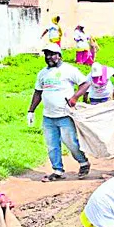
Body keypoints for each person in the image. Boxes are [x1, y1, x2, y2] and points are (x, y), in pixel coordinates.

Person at [28, 43, 91, 182]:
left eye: (52, 54)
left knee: (71, 143)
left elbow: (85, 83)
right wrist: (31, 111)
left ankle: (83, 163)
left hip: (64, 115)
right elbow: (38, 92)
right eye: (46, 54)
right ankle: (57, 170)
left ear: (59, 55)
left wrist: (75, 97)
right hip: (48, 116)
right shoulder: (42, 73)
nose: (49, 57)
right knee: (52, 145)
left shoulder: (69, 70)